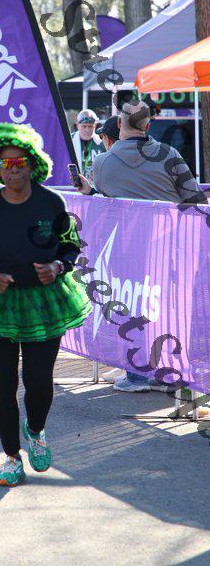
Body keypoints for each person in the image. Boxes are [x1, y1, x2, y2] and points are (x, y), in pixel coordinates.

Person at [0, 122, 92, 486]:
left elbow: (71, 245)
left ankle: (36, 429)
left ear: (33, 165)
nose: (13, 169)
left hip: (45, 303)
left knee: (39, 382)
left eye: (20, 162)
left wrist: (58, 266)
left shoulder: (52, 203)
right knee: (3, 383)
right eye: (6, 164)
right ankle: (12, 458)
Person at [77, 100, 207, 392]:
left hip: (125, 252)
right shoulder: (170, 155)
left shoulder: (102, 163)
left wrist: (90, 191)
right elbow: (196, 201)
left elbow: (106, 201)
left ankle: (136, 376)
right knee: (168, 309)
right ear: (148, 125)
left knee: (131, 308)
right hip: (169, 249)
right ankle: (167, 373)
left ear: (119, 124)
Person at [71, 109, 104, 182]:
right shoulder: (69, 141)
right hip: (72, 185)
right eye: (84, 126)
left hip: (95, 185)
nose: (87, 130)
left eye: (90, 126)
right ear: (77, 125)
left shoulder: (102, 143)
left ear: (95, 125)